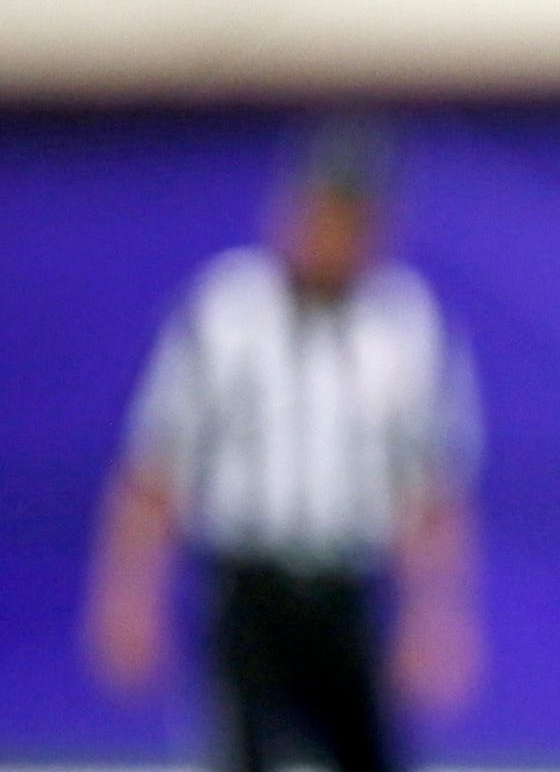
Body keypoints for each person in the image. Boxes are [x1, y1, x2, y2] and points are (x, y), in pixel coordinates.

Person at [83, 117, 483, 772]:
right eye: (323, 213)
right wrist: (127, 596)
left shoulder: (404, 323)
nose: (333, 236)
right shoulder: (228, 309)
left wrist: (435, 615)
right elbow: (156, 467)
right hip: (249, 592)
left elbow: (432, 490)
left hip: (348, 590)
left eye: (352, 218)